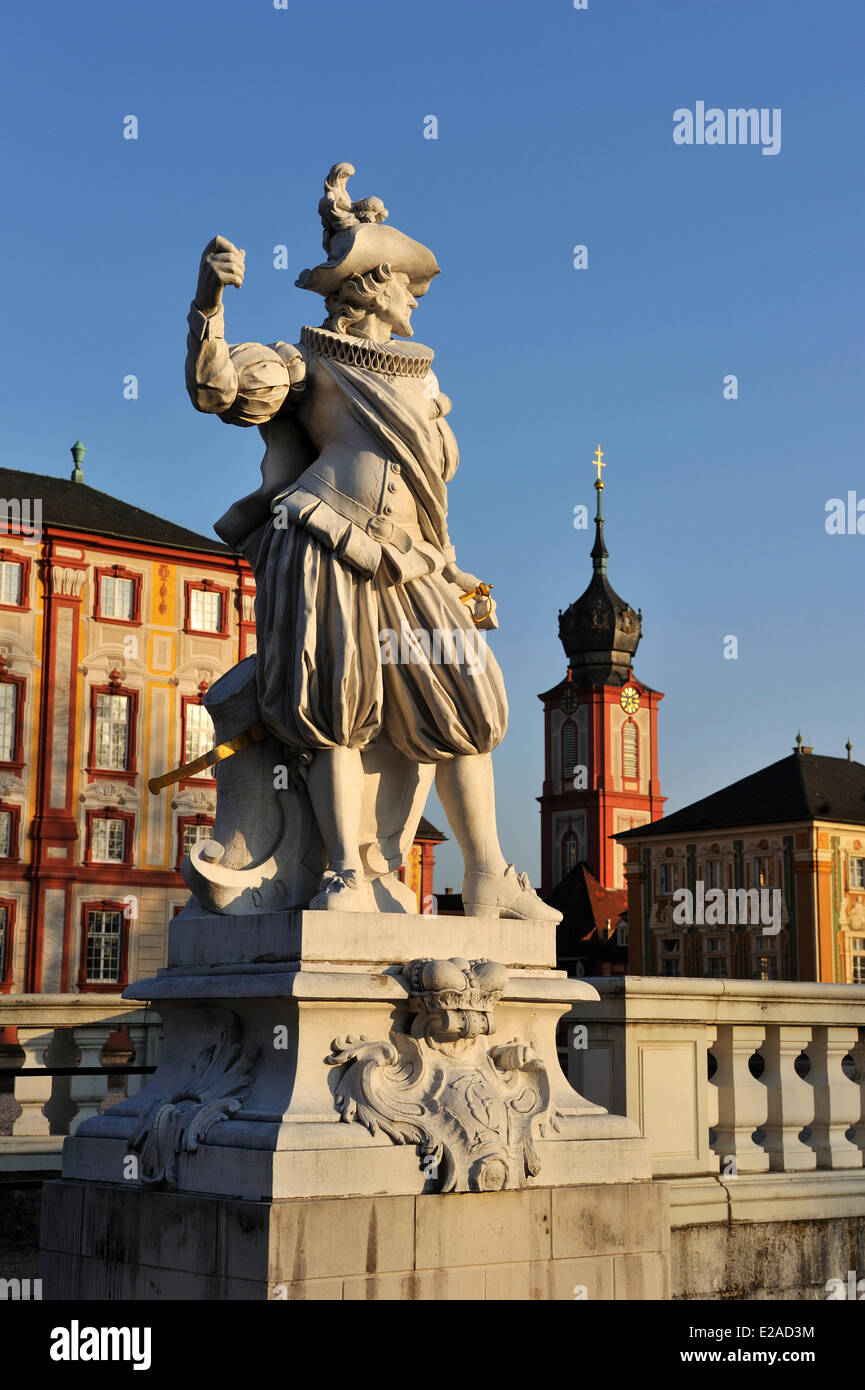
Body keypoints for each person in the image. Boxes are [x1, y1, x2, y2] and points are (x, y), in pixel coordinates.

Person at [185, 164, 559, 923]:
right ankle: (347, 876)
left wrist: (450, 566)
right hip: (324, 541)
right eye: (406, 281)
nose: (417, 295)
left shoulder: (423, 377)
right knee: (334, 708)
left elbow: (427, 489)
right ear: (373, 282)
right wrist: (209, 302)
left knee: (467, 705)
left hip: (412, 560)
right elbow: (217, 390)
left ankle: (487, 872)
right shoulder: (309, 360)